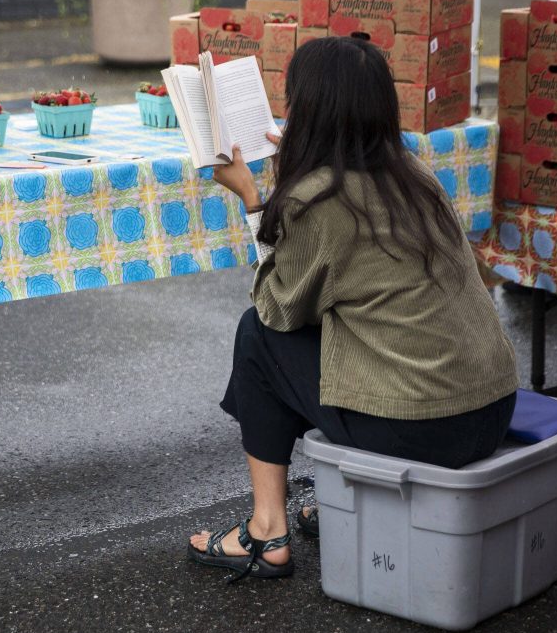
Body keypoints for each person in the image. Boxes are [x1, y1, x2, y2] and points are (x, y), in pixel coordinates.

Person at [188, 36, 518, 583]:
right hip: (492, 410)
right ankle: (347, 499)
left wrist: (253, 198)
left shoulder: (315, 200)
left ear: (308, 111)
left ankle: (268, 530)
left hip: (424, 430)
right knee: (352, 330)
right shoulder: (417, 178)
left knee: (257, 336)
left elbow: (278, 309)